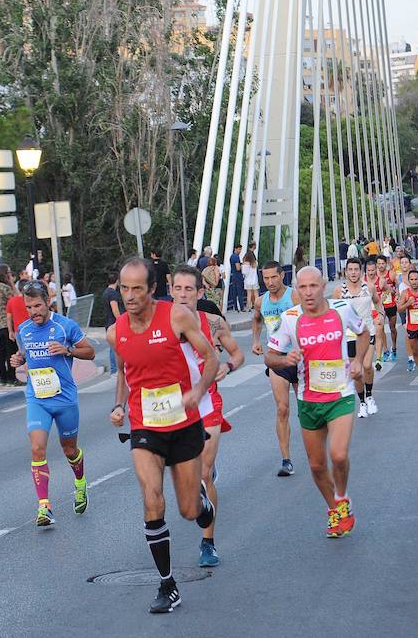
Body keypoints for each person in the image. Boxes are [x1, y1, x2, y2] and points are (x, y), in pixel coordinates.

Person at [110, 258, 218, 615]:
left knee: (189, 511)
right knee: (152, 500)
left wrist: (199, 390)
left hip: (184, 424)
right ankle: (167, 584)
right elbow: (125, 370)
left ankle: (202, 503)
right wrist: (119, 405)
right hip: (145, 427)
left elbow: (210, 356)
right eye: (124, 288)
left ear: (152, 289)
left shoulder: (176, 317)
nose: (129, 296)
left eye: (137, 288)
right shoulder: (117, 331)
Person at [265, 266, 369, 537]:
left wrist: (357, 360)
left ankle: (343, 497)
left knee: (339, 454)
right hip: (309, 399)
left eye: (313, 286)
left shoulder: (342, 309)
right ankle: (333, 508)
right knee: (316, 465)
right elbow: (269, 356)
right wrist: (285, 359)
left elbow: (364, 332)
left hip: (340, 395)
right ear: (296, 290)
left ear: (323, 286)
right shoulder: (290, 318)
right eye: (303, 287)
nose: (309, 292)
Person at [170, 265, 244, 567]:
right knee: (184, 477)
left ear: (200, 293)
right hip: (174, 406)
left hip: (208, 402)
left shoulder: (211, 322)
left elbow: (237, 353)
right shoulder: (160, 323)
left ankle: (208, 543)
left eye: (190, 289)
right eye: (178, 289)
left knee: (203, 473)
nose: (184, 295)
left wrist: (228, 366)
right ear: (170, 290)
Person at [9, 280, 96, 526]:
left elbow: (90, 352)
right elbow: (25, 355)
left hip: (65, 398)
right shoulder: (23, 330)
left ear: (48, 302)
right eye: (29, 307)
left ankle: (80, 483)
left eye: (38, 305)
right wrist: (18, 359)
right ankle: (44, 507)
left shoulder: (64, 326)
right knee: (37, 448)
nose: (34, 312)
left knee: (69, 449)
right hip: (37, 397)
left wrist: (68, 350)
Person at [251, 261, 300, 476]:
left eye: (273, 277)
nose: (270, 282)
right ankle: (286, 459)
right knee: (282, 409)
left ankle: (316, 450)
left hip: (299, 356)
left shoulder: (294, 296)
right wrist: (255, 340)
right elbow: (256, 320)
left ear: (282, 276)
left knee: (306, 409)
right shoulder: (261, 301)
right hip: (277, 360)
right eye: (266, 278)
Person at [333, 258, 383, 418]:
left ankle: (369, 397)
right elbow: (333, 312)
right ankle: (361, 402)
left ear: (361, 271)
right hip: (349, 336)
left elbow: (377, 302)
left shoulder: (369, 287)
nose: (353, 273)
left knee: (367, 366)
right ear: (346, 271)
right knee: (356, 371)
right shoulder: (338, 291)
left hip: (367, 332)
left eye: (356, 269)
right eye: (350, 270)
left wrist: (380, 314)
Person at [0, 264, 20, 387]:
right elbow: (17, 299)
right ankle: (12, 378)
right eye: (9, 273)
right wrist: (12, 283)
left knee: (1, 352)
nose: (10, 275)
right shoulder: (4, 288)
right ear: (4, 274)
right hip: (8, 323)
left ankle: (3, 378)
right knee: (11, 351)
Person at [374, 255, 398, 362]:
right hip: (381, 306)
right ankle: (385, 350)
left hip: (391, 305)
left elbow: (397, 287)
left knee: (392, 328)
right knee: (380, 329)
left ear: (386, 264)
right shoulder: (374, 276)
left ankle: (394, 348)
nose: (381, 266)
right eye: (378, 264)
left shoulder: (391, 274)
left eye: (383, 263)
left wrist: (394, 292)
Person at [6, 278, 30, 377]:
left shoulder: (11, 301)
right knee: (30, 354)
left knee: (22, 354)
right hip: (30, 330)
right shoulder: (28, 300)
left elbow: (9, 317)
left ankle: (28, 376)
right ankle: (32, 376)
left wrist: (10, 331)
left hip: (18, 331)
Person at [102, 268, 124, 375]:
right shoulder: (113, 294)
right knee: (114, 347)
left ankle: (114, 368)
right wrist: (121, 320)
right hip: (113, 323)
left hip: (107, 321)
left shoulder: (106, 292)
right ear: (117, 281)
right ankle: (115, 369)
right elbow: (115, 309)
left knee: (112, 347)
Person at [228, 243, 245, 312]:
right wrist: (243, 265)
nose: (240, 251)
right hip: (238, 276)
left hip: (233, 276)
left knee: (234, 292)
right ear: (235, 249)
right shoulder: (236, 257)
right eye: (239, 249)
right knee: (240, 292)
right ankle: (241, 307)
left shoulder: (232, 256)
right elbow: (238, 268)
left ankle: (235, 307)